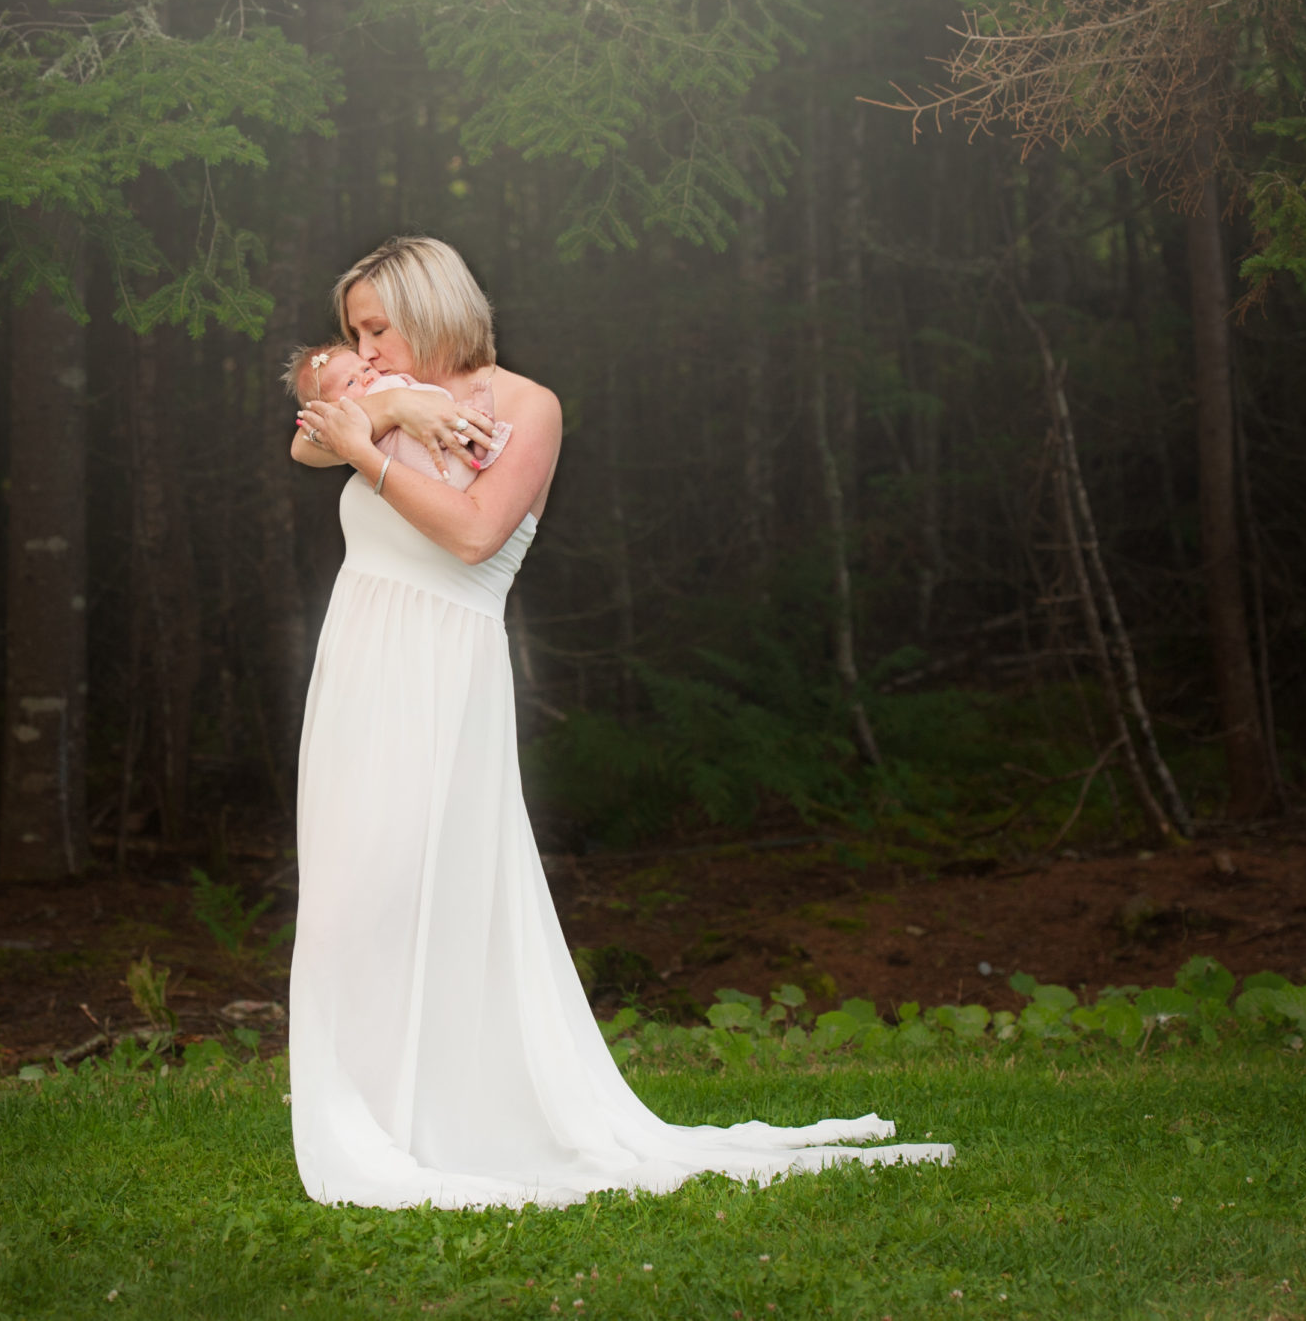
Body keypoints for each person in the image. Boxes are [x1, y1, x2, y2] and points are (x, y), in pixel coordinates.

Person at [284, 234, 951, 1209]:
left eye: (380, 326)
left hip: (441, 667)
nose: (366, 346)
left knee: (417, 882)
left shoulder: (523, 406)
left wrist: (368, 451)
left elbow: (473, 536)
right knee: (346, 896)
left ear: (434, 308)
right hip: (358, 666)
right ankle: (375, 1112)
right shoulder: (384, 401)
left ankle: (443, 1115)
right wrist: (387, 407)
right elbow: (305, 435)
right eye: (354, 332)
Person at [283, 340, 513, 493]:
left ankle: (478, 419)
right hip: (428, 472)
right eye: (350, 382)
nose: (366, 378)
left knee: (465, 433)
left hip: (449, 448)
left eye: (364, 369)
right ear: (329, 406)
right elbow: (300, 446)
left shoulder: (388, 382)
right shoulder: (349, 417)